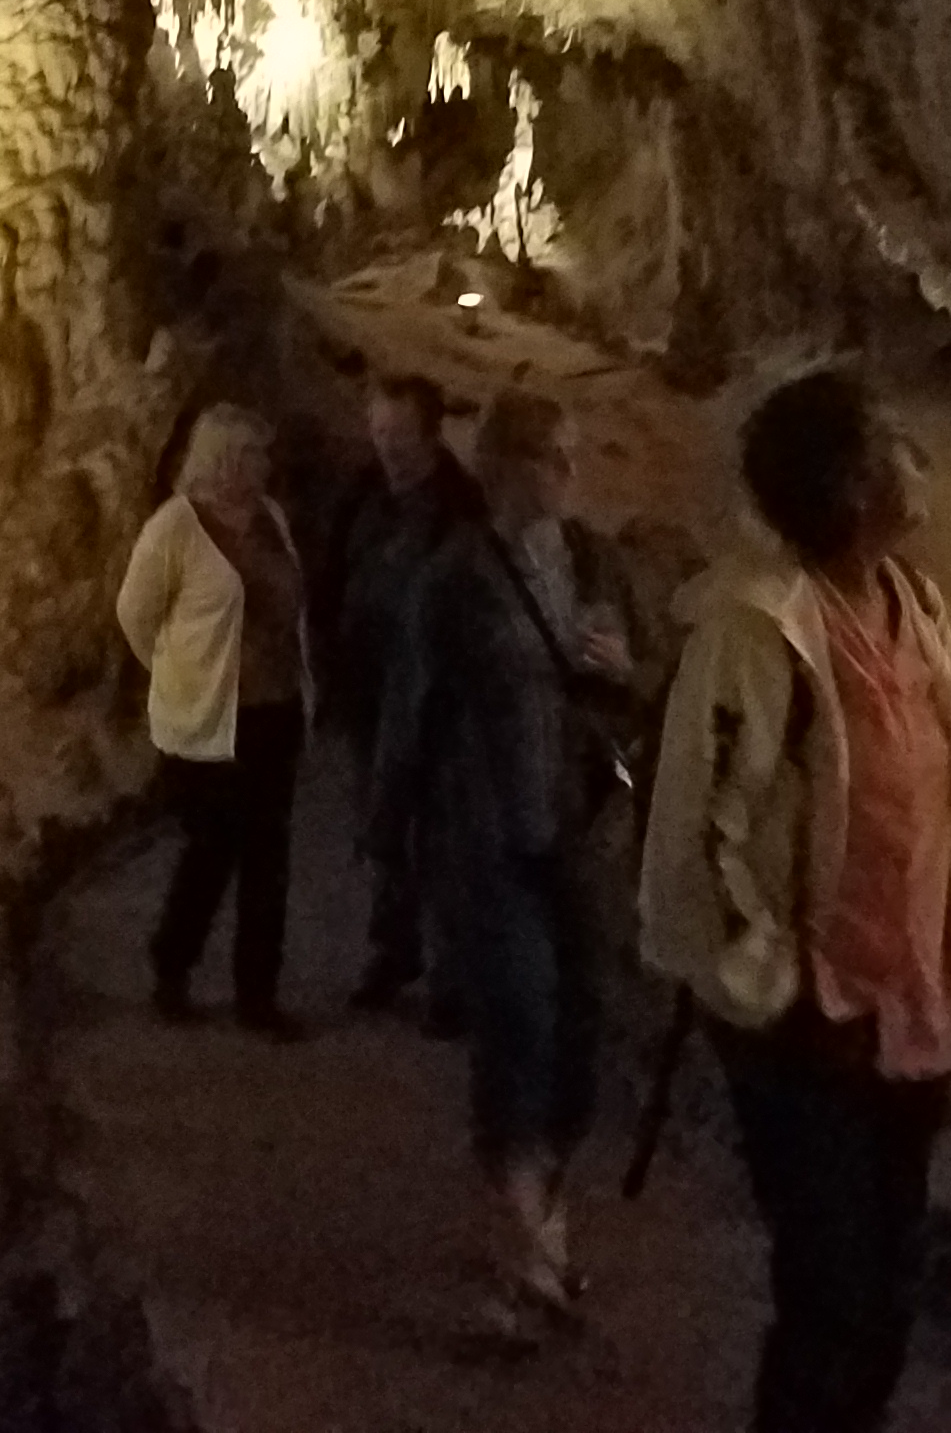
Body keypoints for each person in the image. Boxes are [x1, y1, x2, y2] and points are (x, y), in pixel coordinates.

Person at [638, 367, 951, 1433]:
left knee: (890, 1291)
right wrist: (771, 981)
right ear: (852, 484)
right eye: (894, 440)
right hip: (806, 1029)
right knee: (830, 1297)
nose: (919, 457)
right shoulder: (759, 632)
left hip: (911, 1013)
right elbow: (700, 828)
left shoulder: (919, 605)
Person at [378, 389, 640, 1347]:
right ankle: (528, 1254)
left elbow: (634, 687)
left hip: (572, 829)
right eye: (552, 458)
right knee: (520, 1023)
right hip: (485, 836)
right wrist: (392, 846)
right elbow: (411, 711)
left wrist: (622, 667)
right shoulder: (454, 580)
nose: (570, 476)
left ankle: (543, 1217)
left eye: (573, 457)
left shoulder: (593, 560)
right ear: (504, 468)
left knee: (580, 1030)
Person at [114, 404, 311, 1037]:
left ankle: (258, 993)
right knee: (211, 852)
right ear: (223, 457)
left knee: (267, 857)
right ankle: (172, 967)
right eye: (253, 453)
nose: (266, 464)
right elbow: (136, 616)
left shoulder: (271, 519)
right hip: (208, 721)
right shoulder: (175, 528)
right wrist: (179, 674)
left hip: (273, 712)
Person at [321, 368, 474, 1016]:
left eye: (401, 433)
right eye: (379, 429)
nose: (389, 445)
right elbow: (332, 576)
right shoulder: (361, 492)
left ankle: (450, 972)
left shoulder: (460, 507)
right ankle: (394, 948)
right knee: (380, 825)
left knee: (437, 833)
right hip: (368, 689)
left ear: (432, 433)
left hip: (431, 699)